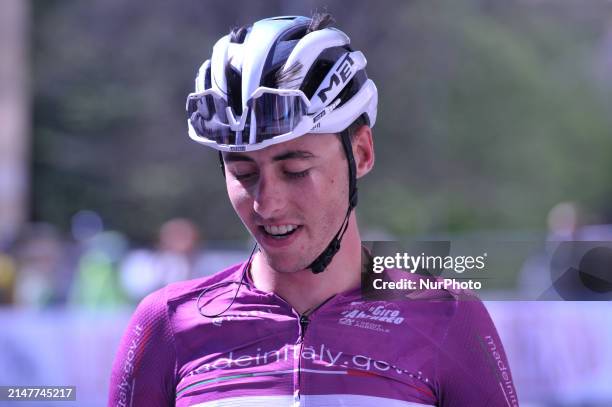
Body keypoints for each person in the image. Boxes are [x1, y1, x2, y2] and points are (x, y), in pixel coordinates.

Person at [109, 14, 518, 407]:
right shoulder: (166, 324)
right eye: (243, 173)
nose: (267, 203)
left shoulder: (447, 318)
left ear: (360, 153)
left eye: (295, 171)